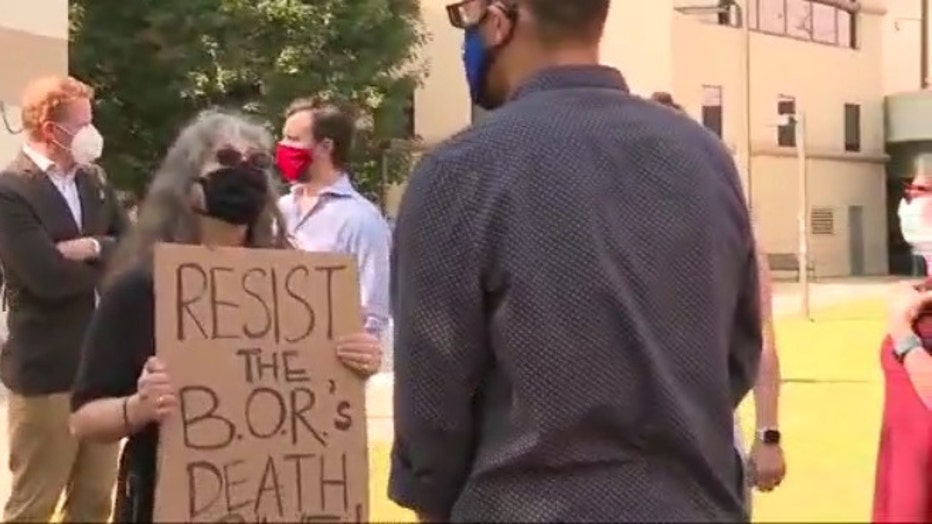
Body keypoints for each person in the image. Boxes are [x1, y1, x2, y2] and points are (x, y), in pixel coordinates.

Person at [388, 0, 762, 521]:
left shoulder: (460, 172)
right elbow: (739, 353)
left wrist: (431, 500)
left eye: (465, 12)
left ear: (499, 19)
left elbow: (432, 401)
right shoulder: (704, 157)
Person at [67, 109, 385, 522]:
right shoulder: (141, 289)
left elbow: (324, 389)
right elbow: (84, 419)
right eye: (228, 160)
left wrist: (359, 359)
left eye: (258, 162)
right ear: (187, 183)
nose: (246, 172)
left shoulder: (298, 285)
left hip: (282, 504)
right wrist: (139, 407)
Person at [0, 75, 130, 523]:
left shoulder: (93, 179)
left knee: (95, 501)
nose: (93, 133)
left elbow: (130, 246)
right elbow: (46, 278)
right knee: (35, 503)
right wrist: (104, 263)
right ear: (50, 129)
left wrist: (94, 247)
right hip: (47, 373)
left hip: (101, 370)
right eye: (82, 123)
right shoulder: (11, 190)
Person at [648, 91, 786, 508]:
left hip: (708, 436)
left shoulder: (731, 230)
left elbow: (761, 338)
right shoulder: (609, 230)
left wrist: (769, 435)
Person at [276, 98, 391, 358]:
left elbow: (371, 314)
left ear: (325, 147)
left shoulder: (361, 221)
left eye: (293, 139)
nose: (282, 147)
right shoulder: (277, 211)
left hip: (327, 370)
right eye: (283, 138)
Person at [873, 177, 932, 522]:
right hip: (905, 478)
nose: (909, 200)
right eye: (909, 190)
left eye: (923, 191)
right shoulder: (917, 294)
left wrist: (901, 333)